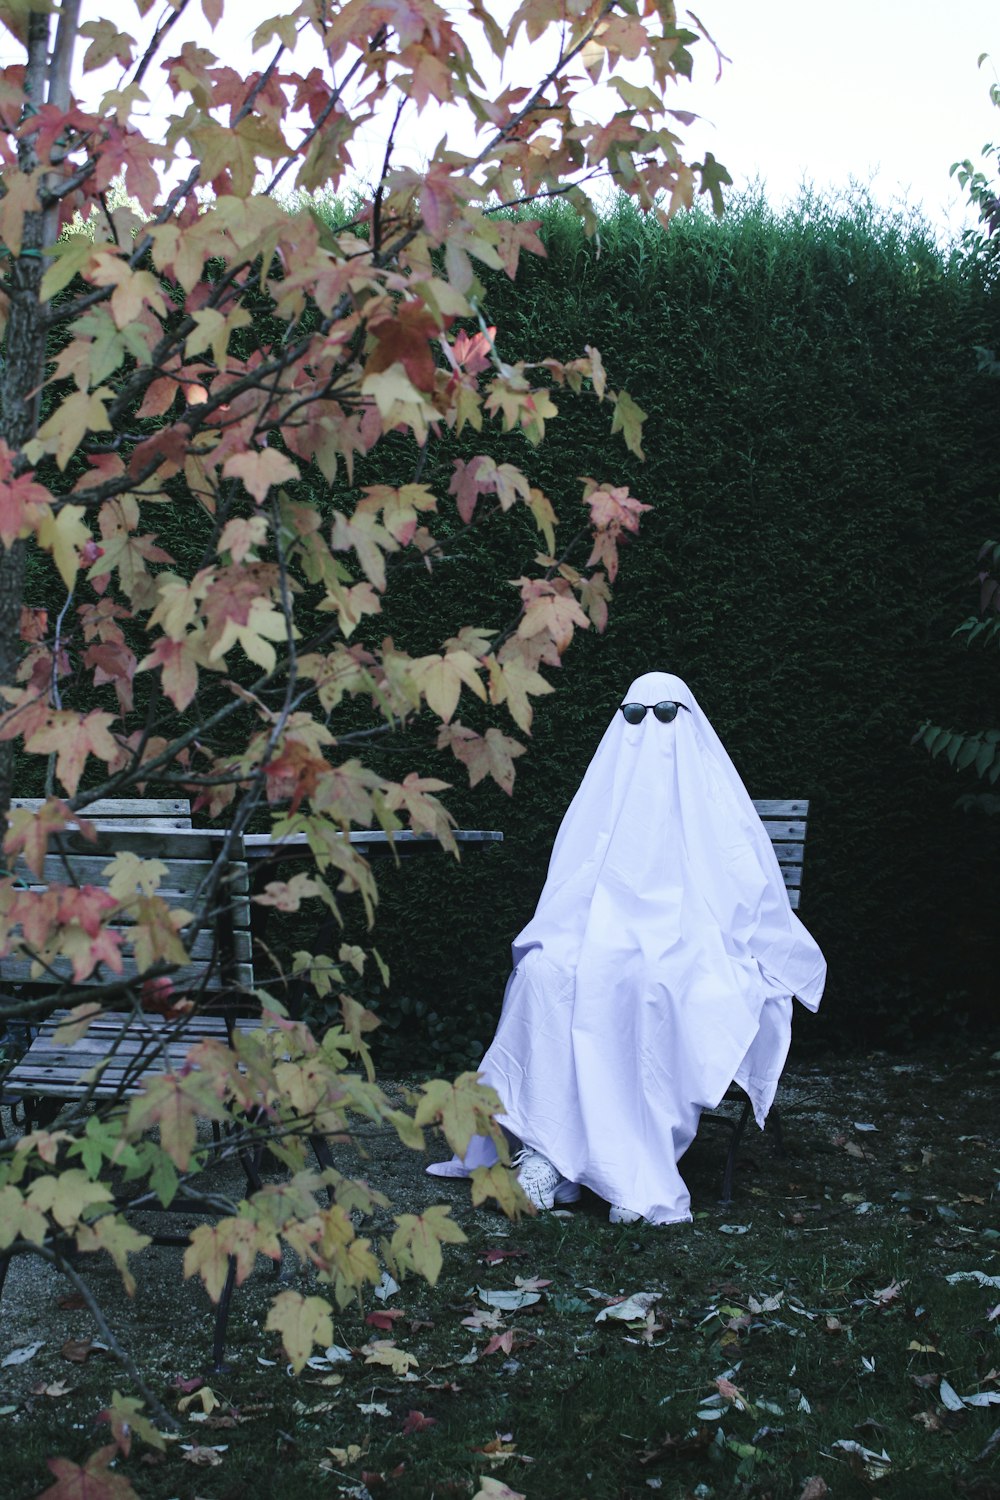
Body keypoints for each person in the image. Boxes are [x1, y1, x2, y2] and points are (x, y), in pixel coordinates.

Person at [427, 671, 826, 1225]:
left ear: (687, 720)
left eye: (666, 714)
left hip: (695, 939)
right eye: (635, 716)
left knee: (657, 987)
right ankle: (550, 1155)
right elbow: (573, 883)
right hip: (601, 933)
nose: (649, 728)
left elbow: (744, 892)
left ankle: (620, 1165)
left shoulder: (715, 805)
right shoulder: (603, 802)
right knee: (546, 977)